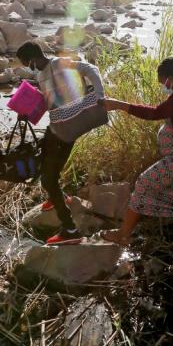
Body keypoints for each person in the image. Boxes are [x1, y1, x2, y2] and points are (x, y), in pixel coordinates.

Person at [100, 58, 173, 264]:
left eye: (164, 82)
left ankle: (123, 235)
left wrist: (119, 105)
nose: (164, 87)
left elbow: (154, 113)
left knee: (143, 182)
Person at [16, 41, 104, 245]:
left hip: (66, 129)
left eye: (26, 63)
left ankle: (70, 229)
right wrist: (27, 111)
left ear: (33, 59)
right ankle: (60, 198)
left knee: (47, 179)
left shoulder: (59, 64)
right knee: (42, 160)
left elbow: (91, 68)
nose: (28, 67)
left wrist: (99, 94)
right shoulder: (40, 75)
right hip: (56, 126)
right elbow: (50, 102)